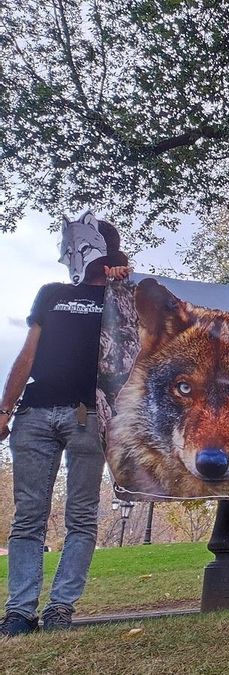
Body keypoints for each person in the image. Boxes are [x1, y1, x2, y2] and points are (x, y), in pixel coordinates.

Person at [1, 212, 130, 636]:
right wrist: (5, 410)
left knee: (81, 516)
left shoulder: (120, 296)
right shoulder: (51, 293)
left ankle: (60, 608)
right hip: (35, 414)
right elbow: (27, 355)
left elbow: (144, 330)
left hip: (88, 418)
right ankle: (19, 612)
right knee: (29, 516)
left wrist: (122, 280)